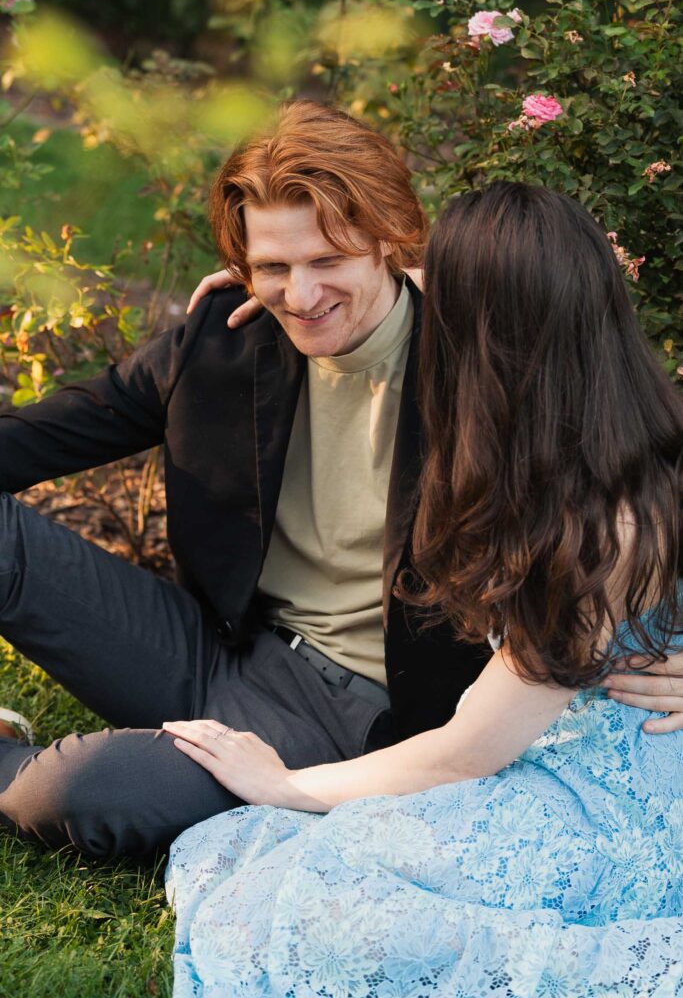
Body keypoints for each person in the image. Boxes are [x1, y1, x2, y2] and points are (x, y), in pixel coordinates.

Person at [0, 101, 681, 857]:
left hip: (357, 719)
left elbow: (635, 479)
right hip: (217, 648)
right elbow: (40, 436)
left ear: (390, 243)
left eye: (327, 261)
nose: (300, 296)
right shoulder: (226, 339)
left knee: (82, 792)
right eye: (273, 266)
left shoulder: (489, 355)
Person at [164, 182, 683, 997]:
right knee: (248, 865)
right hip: (544, 754)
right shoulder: (608, 418)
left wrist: (287, 785)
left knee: (316, 901)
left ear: (485, 335)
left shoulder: (602, 521)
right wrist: (277, 288)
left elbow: (470, 748)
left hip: (604, 800)